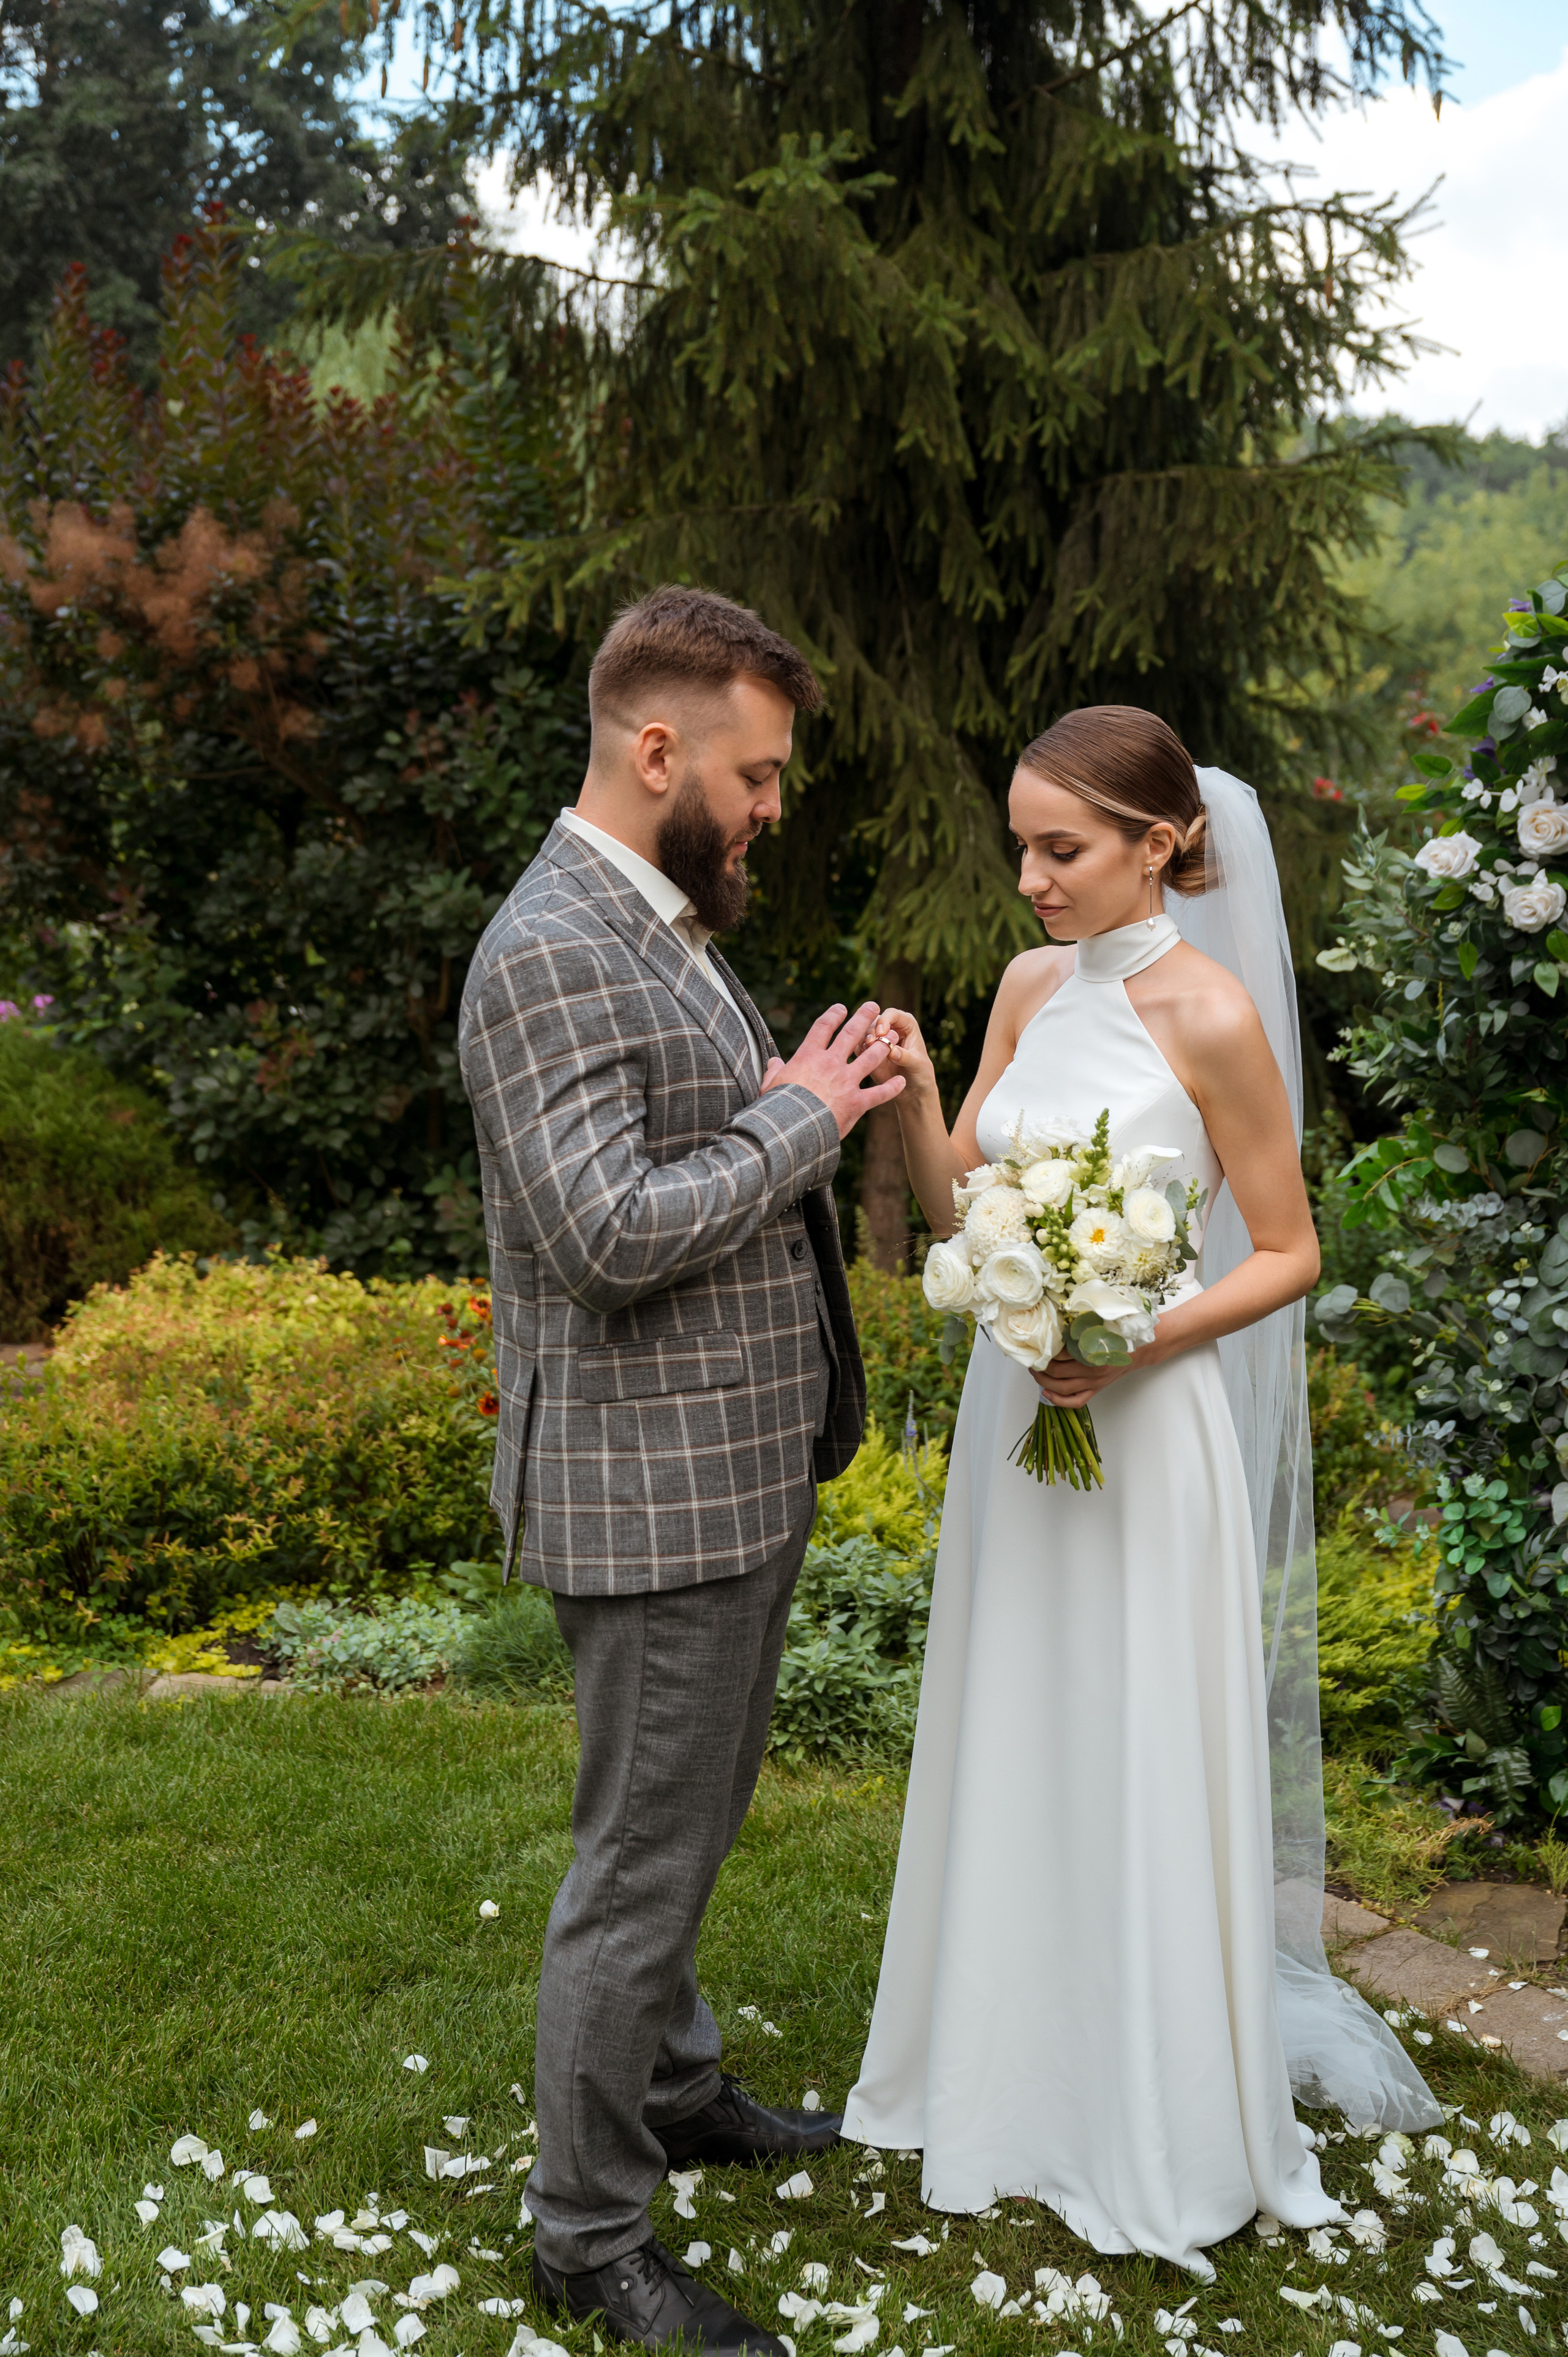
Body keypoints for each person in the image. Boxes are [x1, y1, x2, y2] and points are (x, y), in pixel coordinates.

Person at [842, 706, 1438, 2274]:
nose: (1030, 880)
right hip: (1018, 1418)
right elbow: (962, 1203)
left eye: (1062, 849)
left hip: (1144, 1416)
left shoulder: (1212, 1015)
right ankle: (998, 2076)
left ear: (1156, 844)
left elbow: (1290, 1251)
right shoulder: (1026, 988)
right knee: (1017, 1719)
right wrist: (916, 1094)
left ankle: (1146, 2099)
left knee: (1132, 1731)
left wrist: (1132, 1337)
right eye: (1021, 848)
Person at [458, 585, 903, 2356]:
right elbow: (604, 1235)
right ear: (658, 750)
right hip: (649, 1496)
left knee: (686, 1824)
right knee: (638, 1867)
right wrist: (808, 1115)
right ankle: (586, 2235)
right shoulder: (550, 945)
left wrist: (784, 1087)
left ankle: (678, 2085)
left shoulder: (654, 915)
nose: (772, 806)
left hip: (730, 1468)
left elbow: (673, 1143)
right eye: (758, 773)